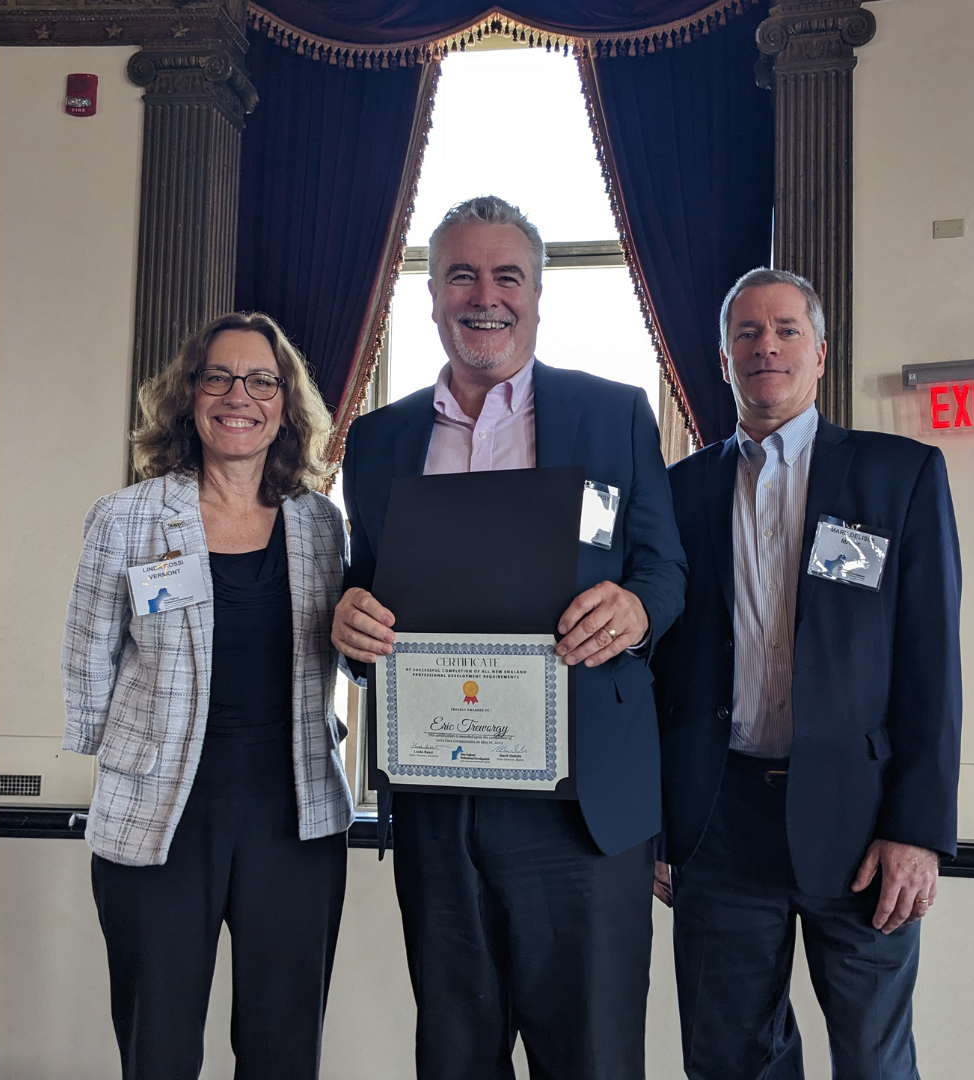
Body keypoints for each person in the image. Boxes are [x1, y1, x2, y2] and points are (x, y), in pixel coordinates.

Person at [329, 194, 687, 1078]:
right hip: (438, 803)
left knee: (593, 1057)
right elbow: (362, 591)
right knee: (455, 1055)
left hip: (583, 810)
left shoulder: (614, 414)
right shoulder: (377, 440)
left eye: (506, 275)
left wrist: (638, 612)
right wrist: (347, 624)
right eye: (461, 274)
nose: (483, 295)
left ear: (536, 293)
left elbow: (666, 573)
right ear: (432, 295)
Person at [650, 268, 962, 1080]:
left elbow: (932, 663)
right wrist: (657, 821)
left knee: (873, 1062)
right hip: (717, 826)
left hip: (862, 830)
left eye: (786, 329)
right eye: (747, 333)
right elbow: (660, 669)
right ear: (723, 361)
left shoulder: (900, 477)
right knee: (729, 1063)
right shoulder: (678, 492)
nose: (766, 346)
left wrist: (919, 829)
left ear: (819, 354)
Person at [61, 311, 354, 1079]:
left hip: (295, 815)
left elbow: (349, 649)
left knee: (283, 1052)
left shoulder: (322, 525)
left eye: (262, 380)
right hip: (158, 816)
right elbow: (88, 653)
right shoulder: (127, 518)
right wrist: (108, 754)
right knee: (158, 1051)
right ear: (189, 394)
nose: (239, 395)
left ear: (285, 404)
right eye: (218, 376)